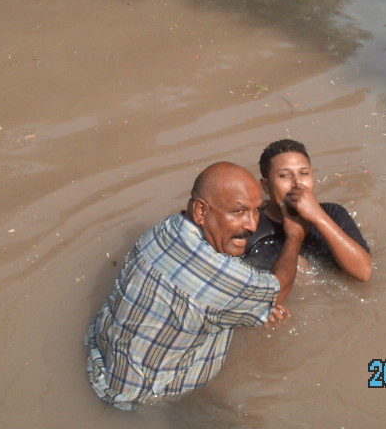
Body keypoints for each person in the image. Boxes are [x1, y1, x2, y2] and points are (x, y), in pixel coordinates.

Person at [85, 162, 305, 410]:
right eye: (239, 211)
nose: (253, 225)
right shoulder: (224, 279)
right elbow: (280, 288)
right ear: (200, 211)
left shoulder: (167, 228)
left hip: (99, 360)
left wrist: (250, 299)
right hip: (144, 399)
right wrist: (295, 237)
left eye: (256, 211)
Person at [244, 139, 372, 281]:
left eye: (304, 173)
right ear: (266, 186)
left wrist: (318, 216)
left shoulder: (332, 213)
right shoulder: (251, 226)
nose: (297, 183)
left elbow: (364, 273)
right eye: (284, 175)